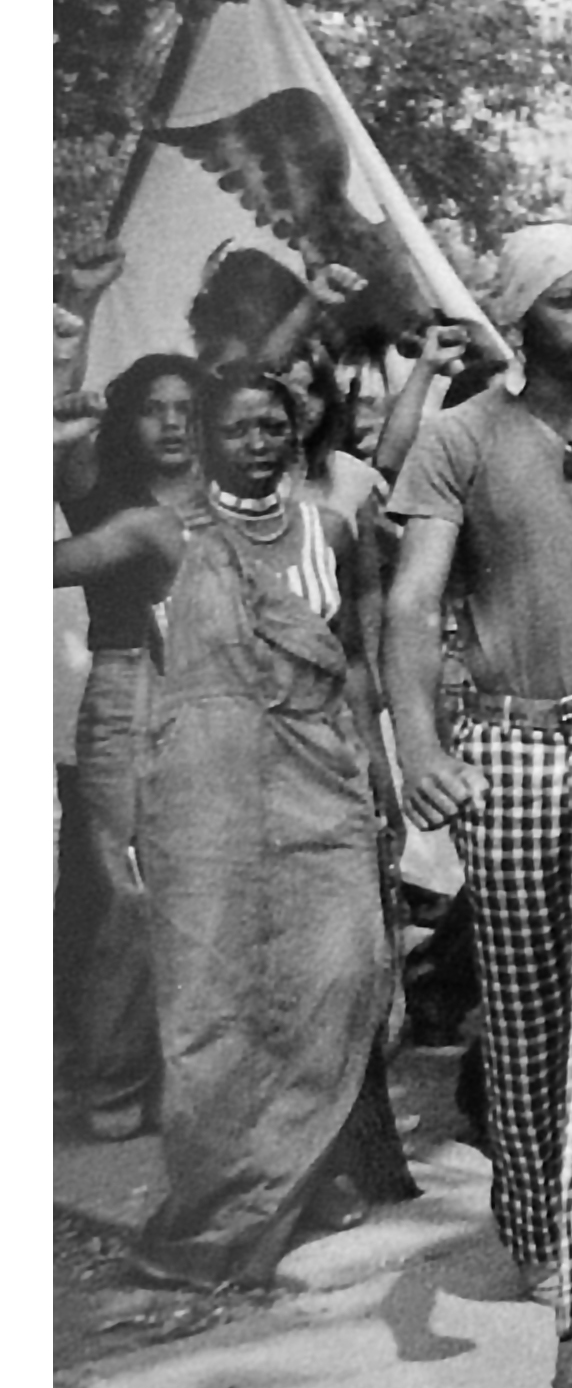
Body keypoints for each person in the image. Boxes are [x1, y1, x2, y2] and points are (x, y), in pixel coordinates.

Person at [382, 223, 572, 1388]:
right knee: (530, 1008)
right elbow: (411, 599)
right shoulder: (460, 438)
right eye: (569, 298)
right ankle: (539, 1222)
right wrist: (420, 749)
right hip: (506, 747)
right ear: (517, 314)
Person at [83, 368, 393, 1285]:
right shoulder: (162, 533)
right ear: (208, 443)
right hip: (208, 790)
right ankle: (237, 1200)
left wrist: (381, 768)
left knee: (340, 974)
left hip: (320, 779)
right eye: (237, 429)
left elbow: (356, 660)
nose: (257, 443)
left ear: (294, 438)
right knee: (219, 998)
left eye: (273, 427)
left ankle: (308, 1170)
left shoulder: (331, 530)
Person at [53, 350, 206, 1140]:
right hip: (127, 692)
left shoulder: (227, 489)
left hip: (214, 696)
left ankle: (181, 1077)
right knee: (131, 893)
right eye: (153, 407)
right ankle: (111, 1082)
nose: (174, 421)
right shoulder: (106, 495)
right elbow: (56, 441)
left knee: (201, 889)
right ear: (125, 420)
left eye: (186, 406)